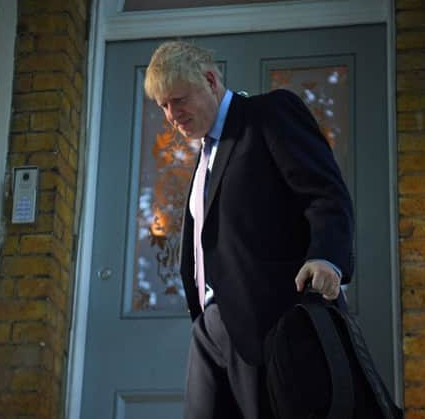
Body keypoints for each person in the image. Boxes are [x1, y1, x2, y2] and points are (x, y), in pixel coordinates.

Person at [144, 41, 355, 419]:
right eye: (163, 106)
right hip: (209, 328)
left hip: (270, 321)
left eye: (178, 100)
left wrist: (326, 256)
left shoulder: (268, 114)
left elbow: (325, 193)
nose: (172, 115)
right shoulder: (206, 153)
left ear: (209, 80)